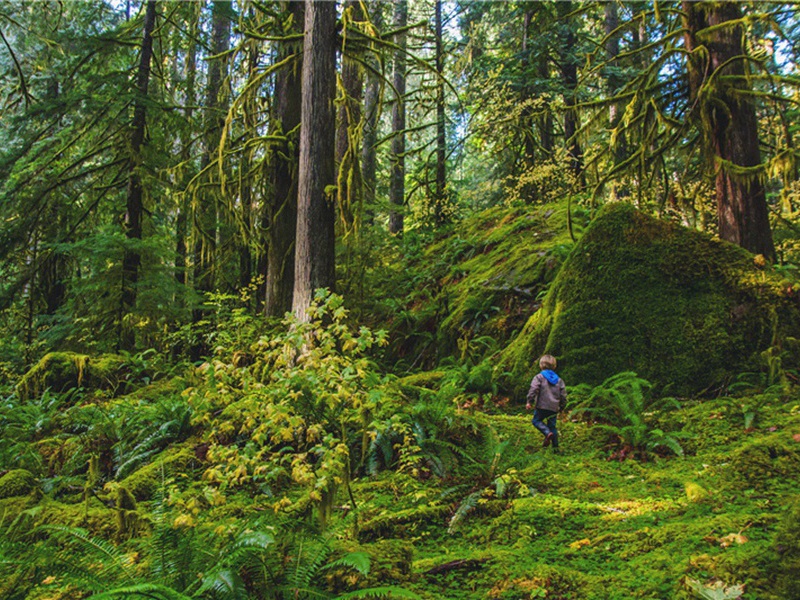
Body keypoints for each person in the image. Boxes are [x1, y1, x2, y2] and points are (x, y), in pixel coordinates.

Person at [525, 354, 567, 451]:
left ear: (541, 365)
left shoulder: (539, 377)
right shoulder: (559, 380)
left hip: (541, 406)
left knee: (536, 421)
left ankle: (547, 433)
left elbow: (533, 389)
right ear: (554, 366)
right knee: (552, 426)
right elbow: (563, 395)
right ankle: (555, 448)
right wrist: (562, 407)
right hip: (554, 408)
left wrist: (529, 401)